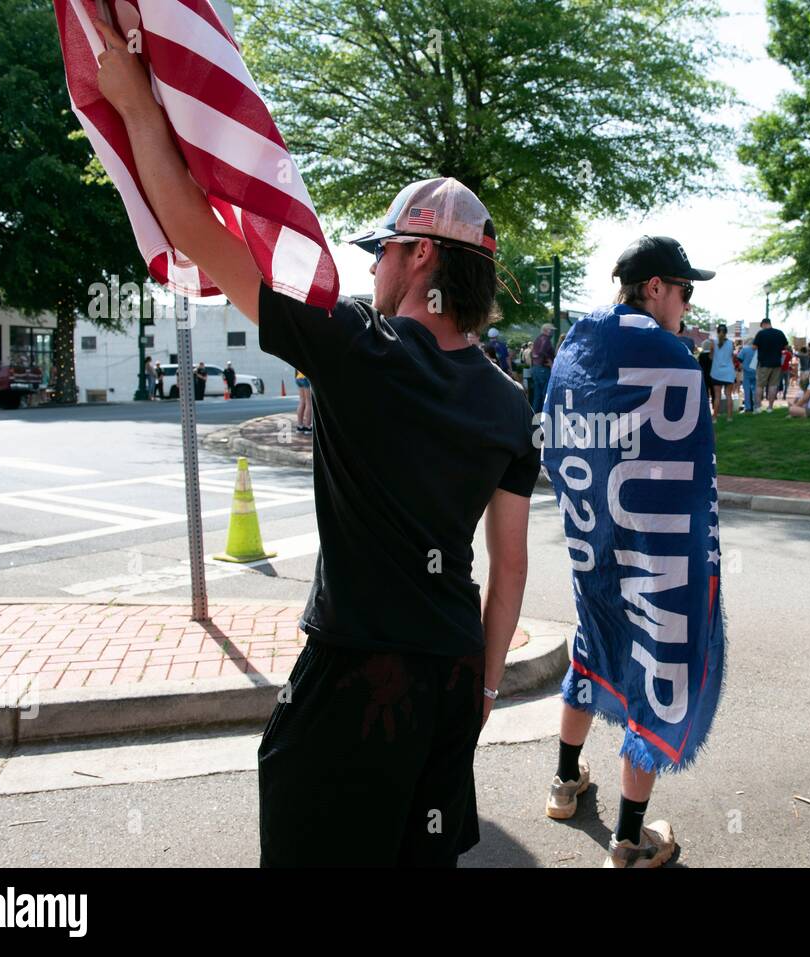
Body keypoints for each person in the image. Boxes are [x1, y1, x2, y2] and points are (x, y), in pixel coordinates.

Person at [93, 22, 538, 867]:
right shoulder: (511, 403)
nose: (372, 270)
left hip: (355, 673)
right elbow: (508, 565)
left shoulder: (356, 351)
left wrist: (137, 108)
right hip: (448, 674)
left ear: (416, 259)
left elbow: (191, 226)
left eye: (382, 254)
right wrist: (483, 686)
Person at [542, 234, 723, 867]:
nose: (687, 305)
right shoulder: (670, 358)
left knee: (591, 648)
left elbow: (554, 440)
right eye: (684, 291)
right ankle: (628, 840)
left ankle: (565, 783)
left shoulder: (577, 345)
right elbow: (693, 474)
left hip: (594, 539)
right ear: (654, 288)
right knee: (652, 663)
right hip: (650, 552)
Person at [752, 317, 788, 411]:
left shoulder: (761, 333)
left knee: (760, 385)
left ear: (764, 324)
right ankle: (770, 407)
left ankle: (758, 407)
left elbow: (754, 347)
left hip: (763, 363)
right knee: (773, 385)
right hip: (776, 363)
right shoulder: (779, 333)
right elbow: (786, 346)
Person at [709, 322, 736, 421]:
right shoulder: (731, 343)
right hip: (729, 372)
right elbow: (731, 356)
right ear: (726, 332)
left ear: (717, 332)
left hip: (717, 372)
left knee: (717, 396)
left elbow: (711, 357)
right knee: (729, 395)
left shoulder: (713, 342)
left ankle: (715, 417)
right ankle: (729, 417)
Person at [529, 322, 556, 411]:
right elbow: (542, 352)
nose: (552, 332)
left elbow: (533, 353)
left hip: (535, 368)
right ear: (545, 330)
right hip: (543, 369)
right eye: (551, 330)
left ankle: (533, 416)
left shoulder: (537, 339)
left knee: (537, 395)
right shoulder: (546, 340)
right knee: (545, 394)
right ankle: (544, 415)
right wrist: (550, 363)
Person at [738, 338, 758, 413]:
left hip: (746, 372)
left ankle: (748, 407)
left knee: (746, 390)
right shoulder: (758, 350)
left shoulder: (744, 349)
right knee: (755, 390)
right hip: (756, 372)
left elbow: (739, 359)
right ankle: (756, 406)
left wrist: (742, 367)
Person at [294, 369, 312, 434]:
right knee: (308, 402)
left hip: (298, 377)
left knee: (302, 401)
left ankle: (300, 426)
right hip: (306, 378)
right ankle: (308, 427)